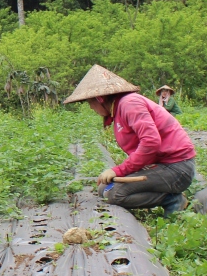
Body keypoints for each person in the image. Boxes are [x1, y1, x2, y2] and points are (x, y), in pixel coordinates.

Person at [62, 65, 196, 216]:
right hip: (160, 165)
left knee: (115, 193)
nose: (91, 107)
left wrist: (118, 170)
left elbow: (150, 142)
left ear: (99, 99)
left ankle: (172, 200)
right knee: (105, 187)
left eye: (89, 102)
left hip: (177, 168)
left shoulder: (129, 104)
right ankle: (166, 195)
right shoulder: (120, 108)